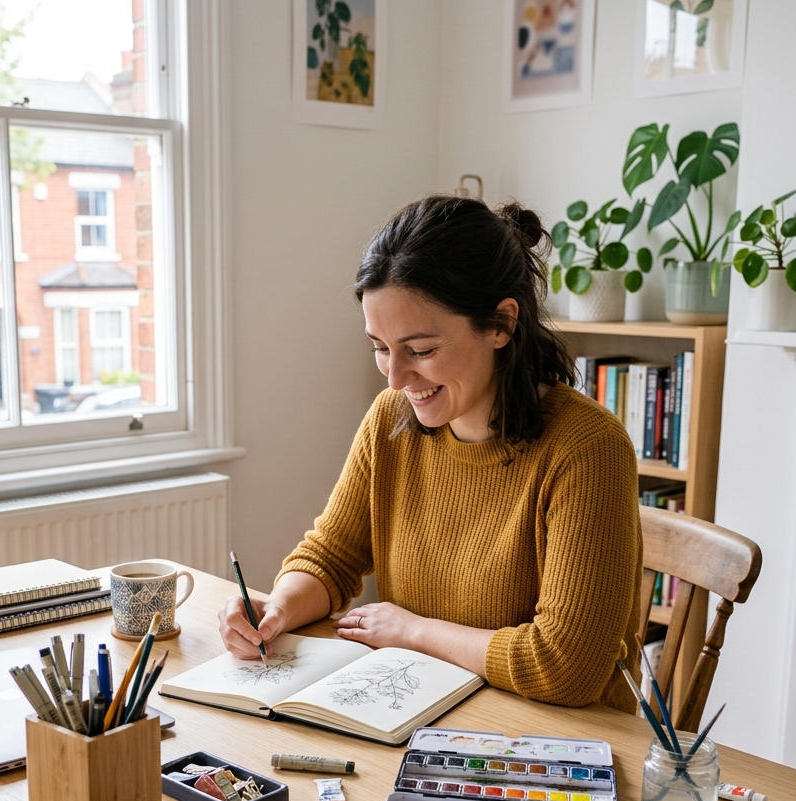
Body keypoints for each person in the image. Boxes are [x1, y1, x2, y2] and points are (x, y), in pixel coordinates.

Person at [220, 195, 641, 712]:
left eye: (420, 351)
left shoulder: (587, 449)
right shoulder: (390, 422)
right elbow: (332, 555)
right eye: (380, 347)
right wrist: (277, 608)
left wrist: (414, 630)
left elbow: (564, 668)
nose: (396, 377)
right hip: (424, 711)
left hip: (555, 743)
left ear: (501, 324)